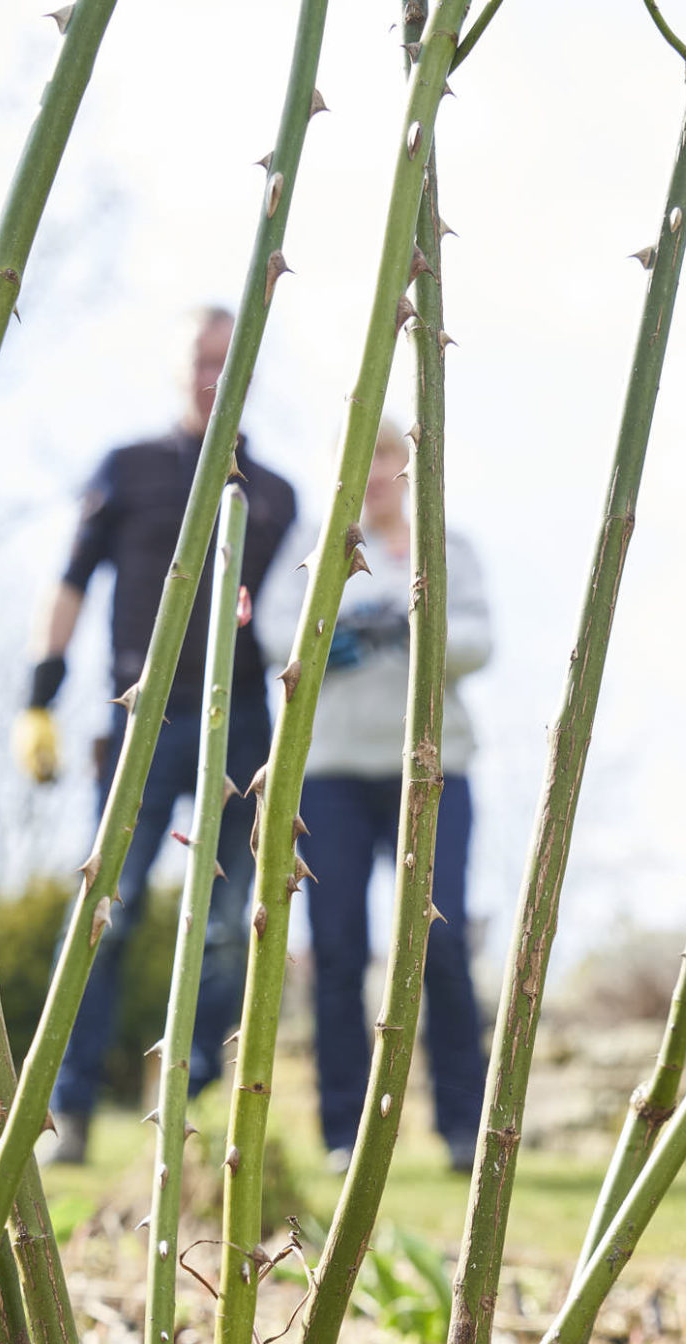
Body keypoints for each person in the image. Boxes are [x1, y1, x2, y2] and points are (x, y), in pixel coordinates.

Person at [14, 306, 297, 1165]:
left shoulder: (277, 495)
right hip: (139, 715)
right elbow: (68, 582)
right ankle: (66, 1112)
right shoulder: (128, 469)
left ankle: (197, 1111)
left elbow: (287, 620)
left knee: (226, 922)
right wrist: (40, 695)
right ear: (180, 371)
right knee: (109, 905)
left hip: (244, 727)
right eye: (201, 361)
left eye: (228, 361)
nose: (213, 376)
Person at [261, 420, 492, 1172]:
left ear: (406, 467)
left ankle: (464, 1123)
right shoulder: (308, 550)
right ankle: (343, 1133)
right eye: (359, 458)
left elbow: (477, 640)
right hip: (328, 771)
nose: (374, 471)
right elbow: (273, 635)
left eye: (387, 456)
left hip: (430, 768)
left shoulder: (446, 547)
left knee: (442, 938)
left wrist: (410, 623)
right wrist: (341, 628)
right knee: (335, 950)